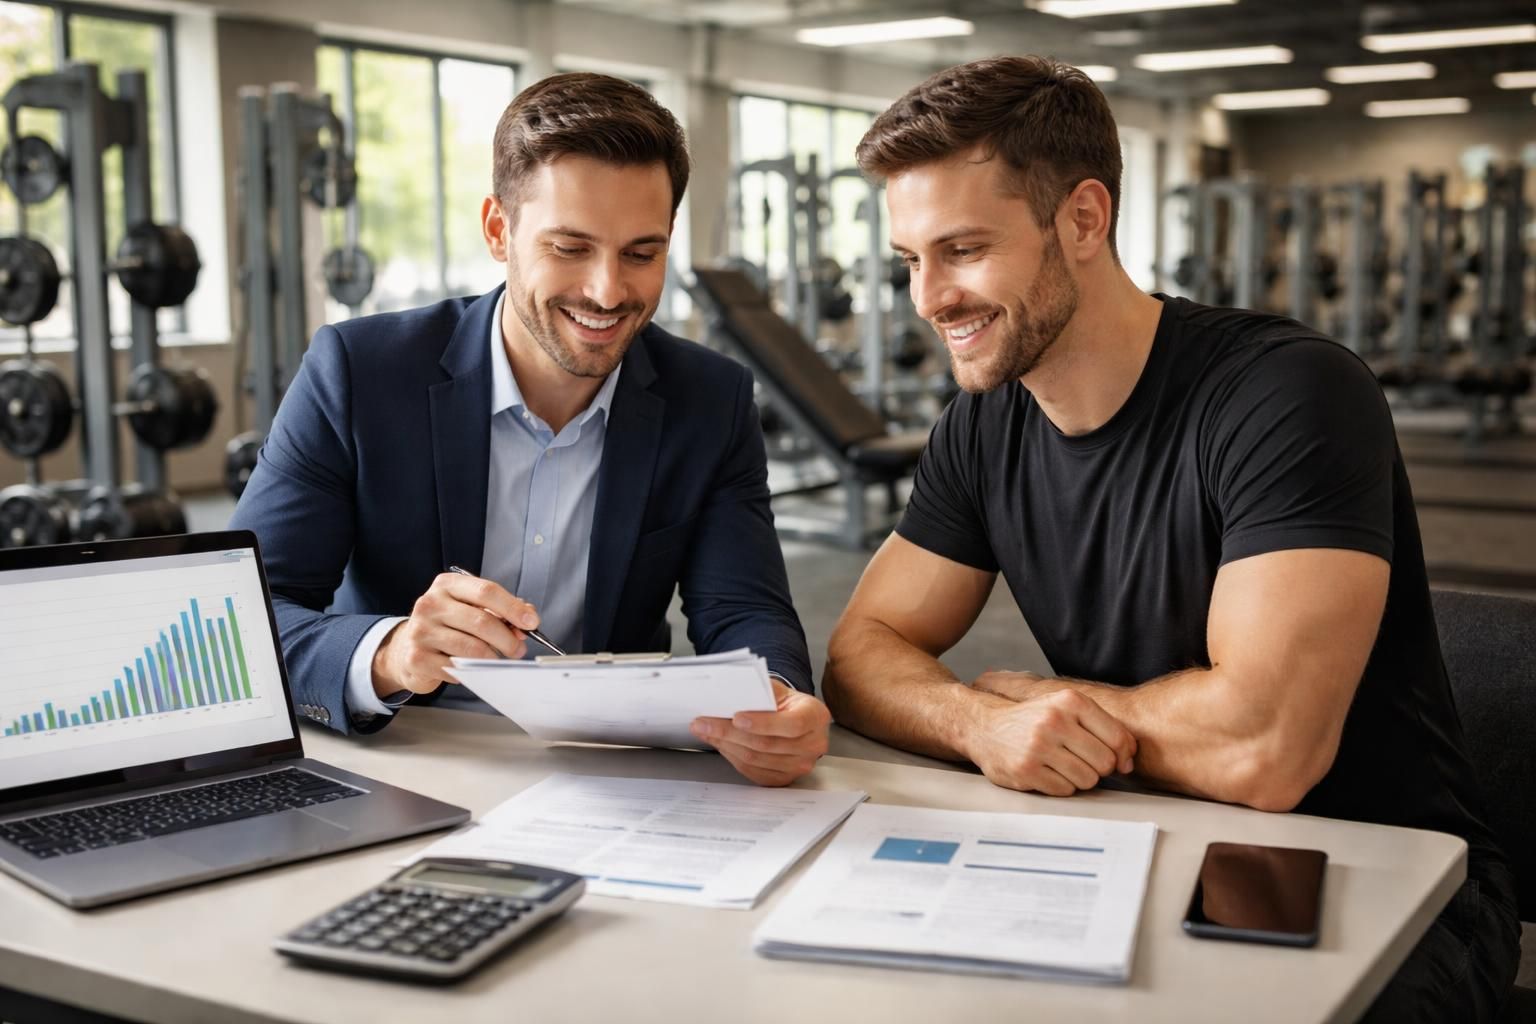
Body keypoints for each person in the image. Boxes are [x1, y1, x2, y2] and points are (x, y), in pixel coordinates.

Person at [821, 56, 1518, 1019]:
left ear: (1083, 219)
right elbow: (859, 654)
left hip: (1388, 875)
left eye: (964, 250)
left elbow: (1265, 751)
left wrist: (1053, 706)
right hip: (1143, 843)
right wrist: (980, 722)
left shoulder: (1288, 394)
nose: (929, 298)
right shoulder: (982, 426)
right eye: (910, 260)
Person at [230, 73, 829, 787]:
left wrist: (778, 699)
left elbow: (744, 608)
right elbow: (243, 617)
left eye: (642, 253)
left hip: (609, 775)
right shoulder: (358, 372)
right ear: (498, 230)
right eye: (570, 248)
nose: (608, 291)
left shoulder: (711, 399)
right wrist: (389, 652)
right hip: (410, 757)